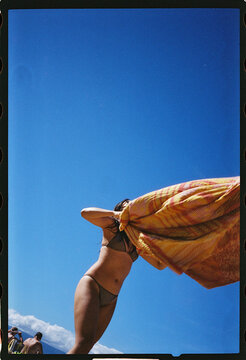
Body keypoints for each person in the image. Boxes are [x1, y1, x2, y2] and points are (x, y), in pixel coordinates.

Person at [68, 199, 138, 354]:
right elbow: (85, 213)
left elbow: (160, 264)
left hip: (112, 298)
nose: (131, 204)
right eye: (127, 203)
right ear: (120, 208)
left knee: (87, 347)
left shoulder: (138, 241)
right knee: (83, 343)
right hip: (93, 284)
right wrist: (115, 215)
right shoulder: (112, 228)